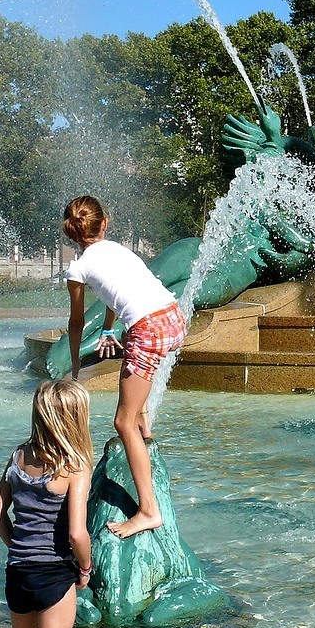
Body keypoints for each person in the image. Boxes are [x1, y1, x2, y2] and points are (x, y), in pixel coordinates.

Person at [63, 195, 184, 538]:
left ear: (72, 236)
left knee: (121, 421)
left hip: (148, 328)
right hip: (172, 317)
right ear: (104, 224)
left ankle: (148, 511)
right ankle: (144, 428)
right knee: (133, 378)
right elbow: (116, 293)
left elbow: (75, 323)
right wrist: (107, 328)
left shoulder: (78, 269)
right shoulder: (116, 249)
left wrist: (74, 368)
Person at [0, 379, 94, 628]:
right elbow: (77, 533)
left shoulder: (18, 455)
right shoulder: (74, 465)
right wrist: (85, 569)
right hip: (53, 573)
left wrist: (21, 552)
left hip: (17, 570)